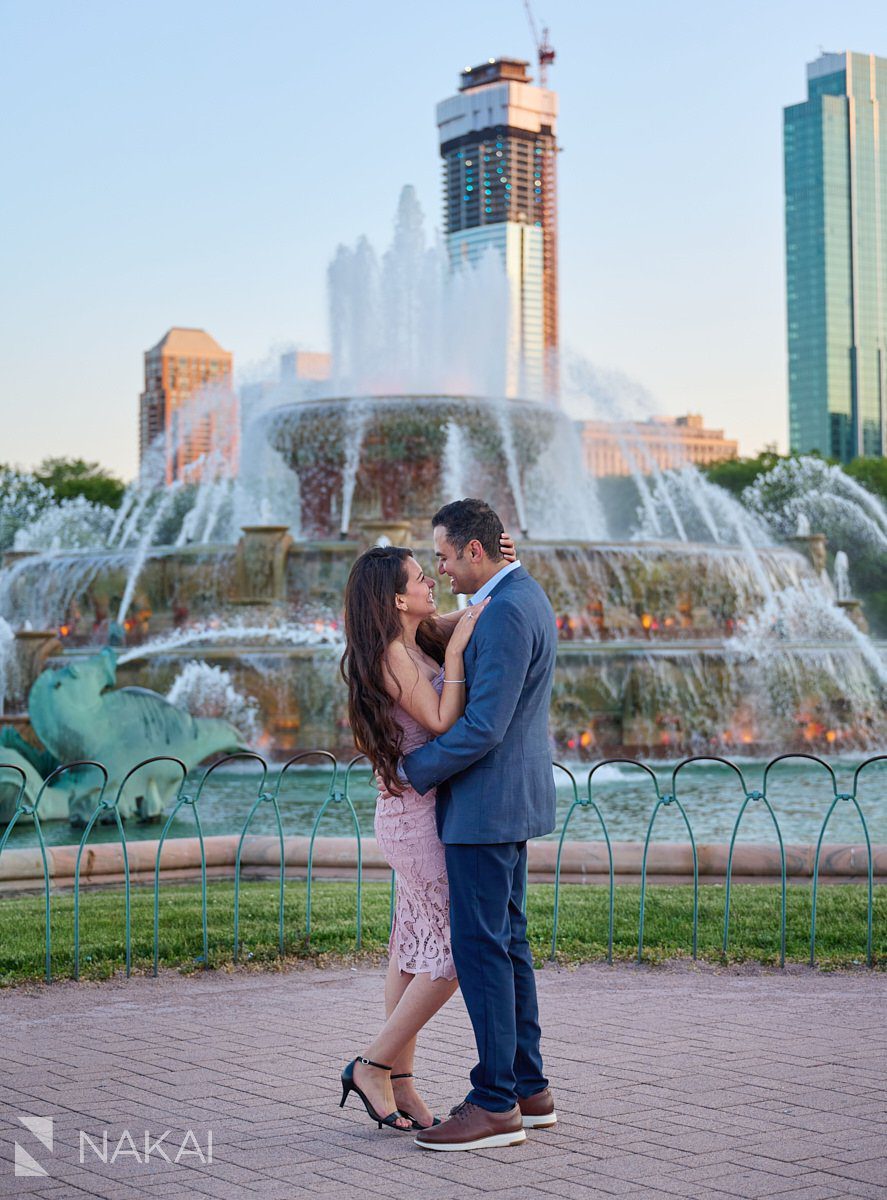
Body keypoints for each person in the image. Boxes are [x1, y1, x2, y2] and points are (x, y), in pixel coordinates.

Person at [338, 531, 515, 1133]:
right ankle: (372, 1063)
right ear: (394, 601)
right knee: (455, 952)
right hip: (415, 818)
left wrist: (501, 562)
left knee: (411, 945)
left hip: (414, 807)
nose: (429, 582)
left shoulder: (414, 639)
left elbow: (479, 605)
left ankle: (401, 1084)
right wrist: (460, 657)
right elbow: (442, 722)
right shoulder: (393, 654)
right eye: (419, 578)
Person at [402, 498, 558, 1152]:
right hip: (507, 803)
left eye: (441, 554)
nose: (437, 566)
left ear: (473, 550)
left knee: (482, 950)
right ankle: (527, 1086)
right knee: (506, 943)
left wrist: (414, 767)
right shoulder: (518, 595)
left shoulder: (503, 611)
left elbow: (483, 726)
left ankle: (494, 1102)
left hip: (482, 809)